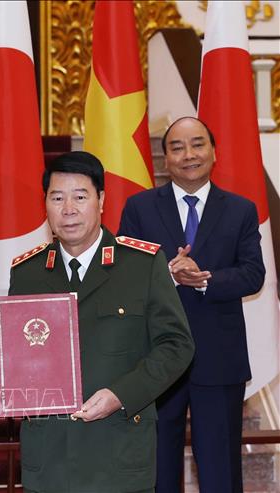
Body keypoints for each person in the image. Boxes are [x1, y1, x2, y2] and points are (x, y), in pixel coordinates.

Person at [0, 151, 194, 493]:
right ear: (45, 205)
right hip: (50, 459)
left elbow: (177, 346)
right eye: (57, 198)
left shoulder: (141, 264)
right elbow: (26, 357)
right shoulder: (27, 272)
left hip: (119, 452)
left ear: (101, 201)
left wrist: (121, 394)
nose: (68, 209)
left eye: (80, 197)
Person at [118, 116, 265, 493]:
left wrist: (205, 279)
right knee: (158, 468)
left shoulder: (241, 210)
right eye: (177, 147)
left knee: (219, 469)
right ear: (165, 157)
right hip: (155, 359)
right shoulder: (139, 208)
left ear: (213, 152)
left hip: (219, 358)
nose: (189, 155)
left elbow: (253, 275)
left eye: (197, 144)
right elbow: (124, 277)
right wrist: (166, 274)